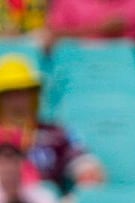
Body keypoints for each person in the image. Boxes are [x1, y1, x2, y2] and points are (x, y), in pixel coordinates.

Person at [0, 54, 105, 195]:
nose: (17, 101)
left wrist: (86, 173)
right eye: (9, 95)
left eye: (25, 93)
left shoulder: (56, 133)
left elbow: (86, 165)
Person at [44, 0, 135, 56]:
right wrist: (101, 29)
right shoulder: (68, 2)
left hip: (125, 77)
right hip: (78, 73)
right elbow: (52, 35)